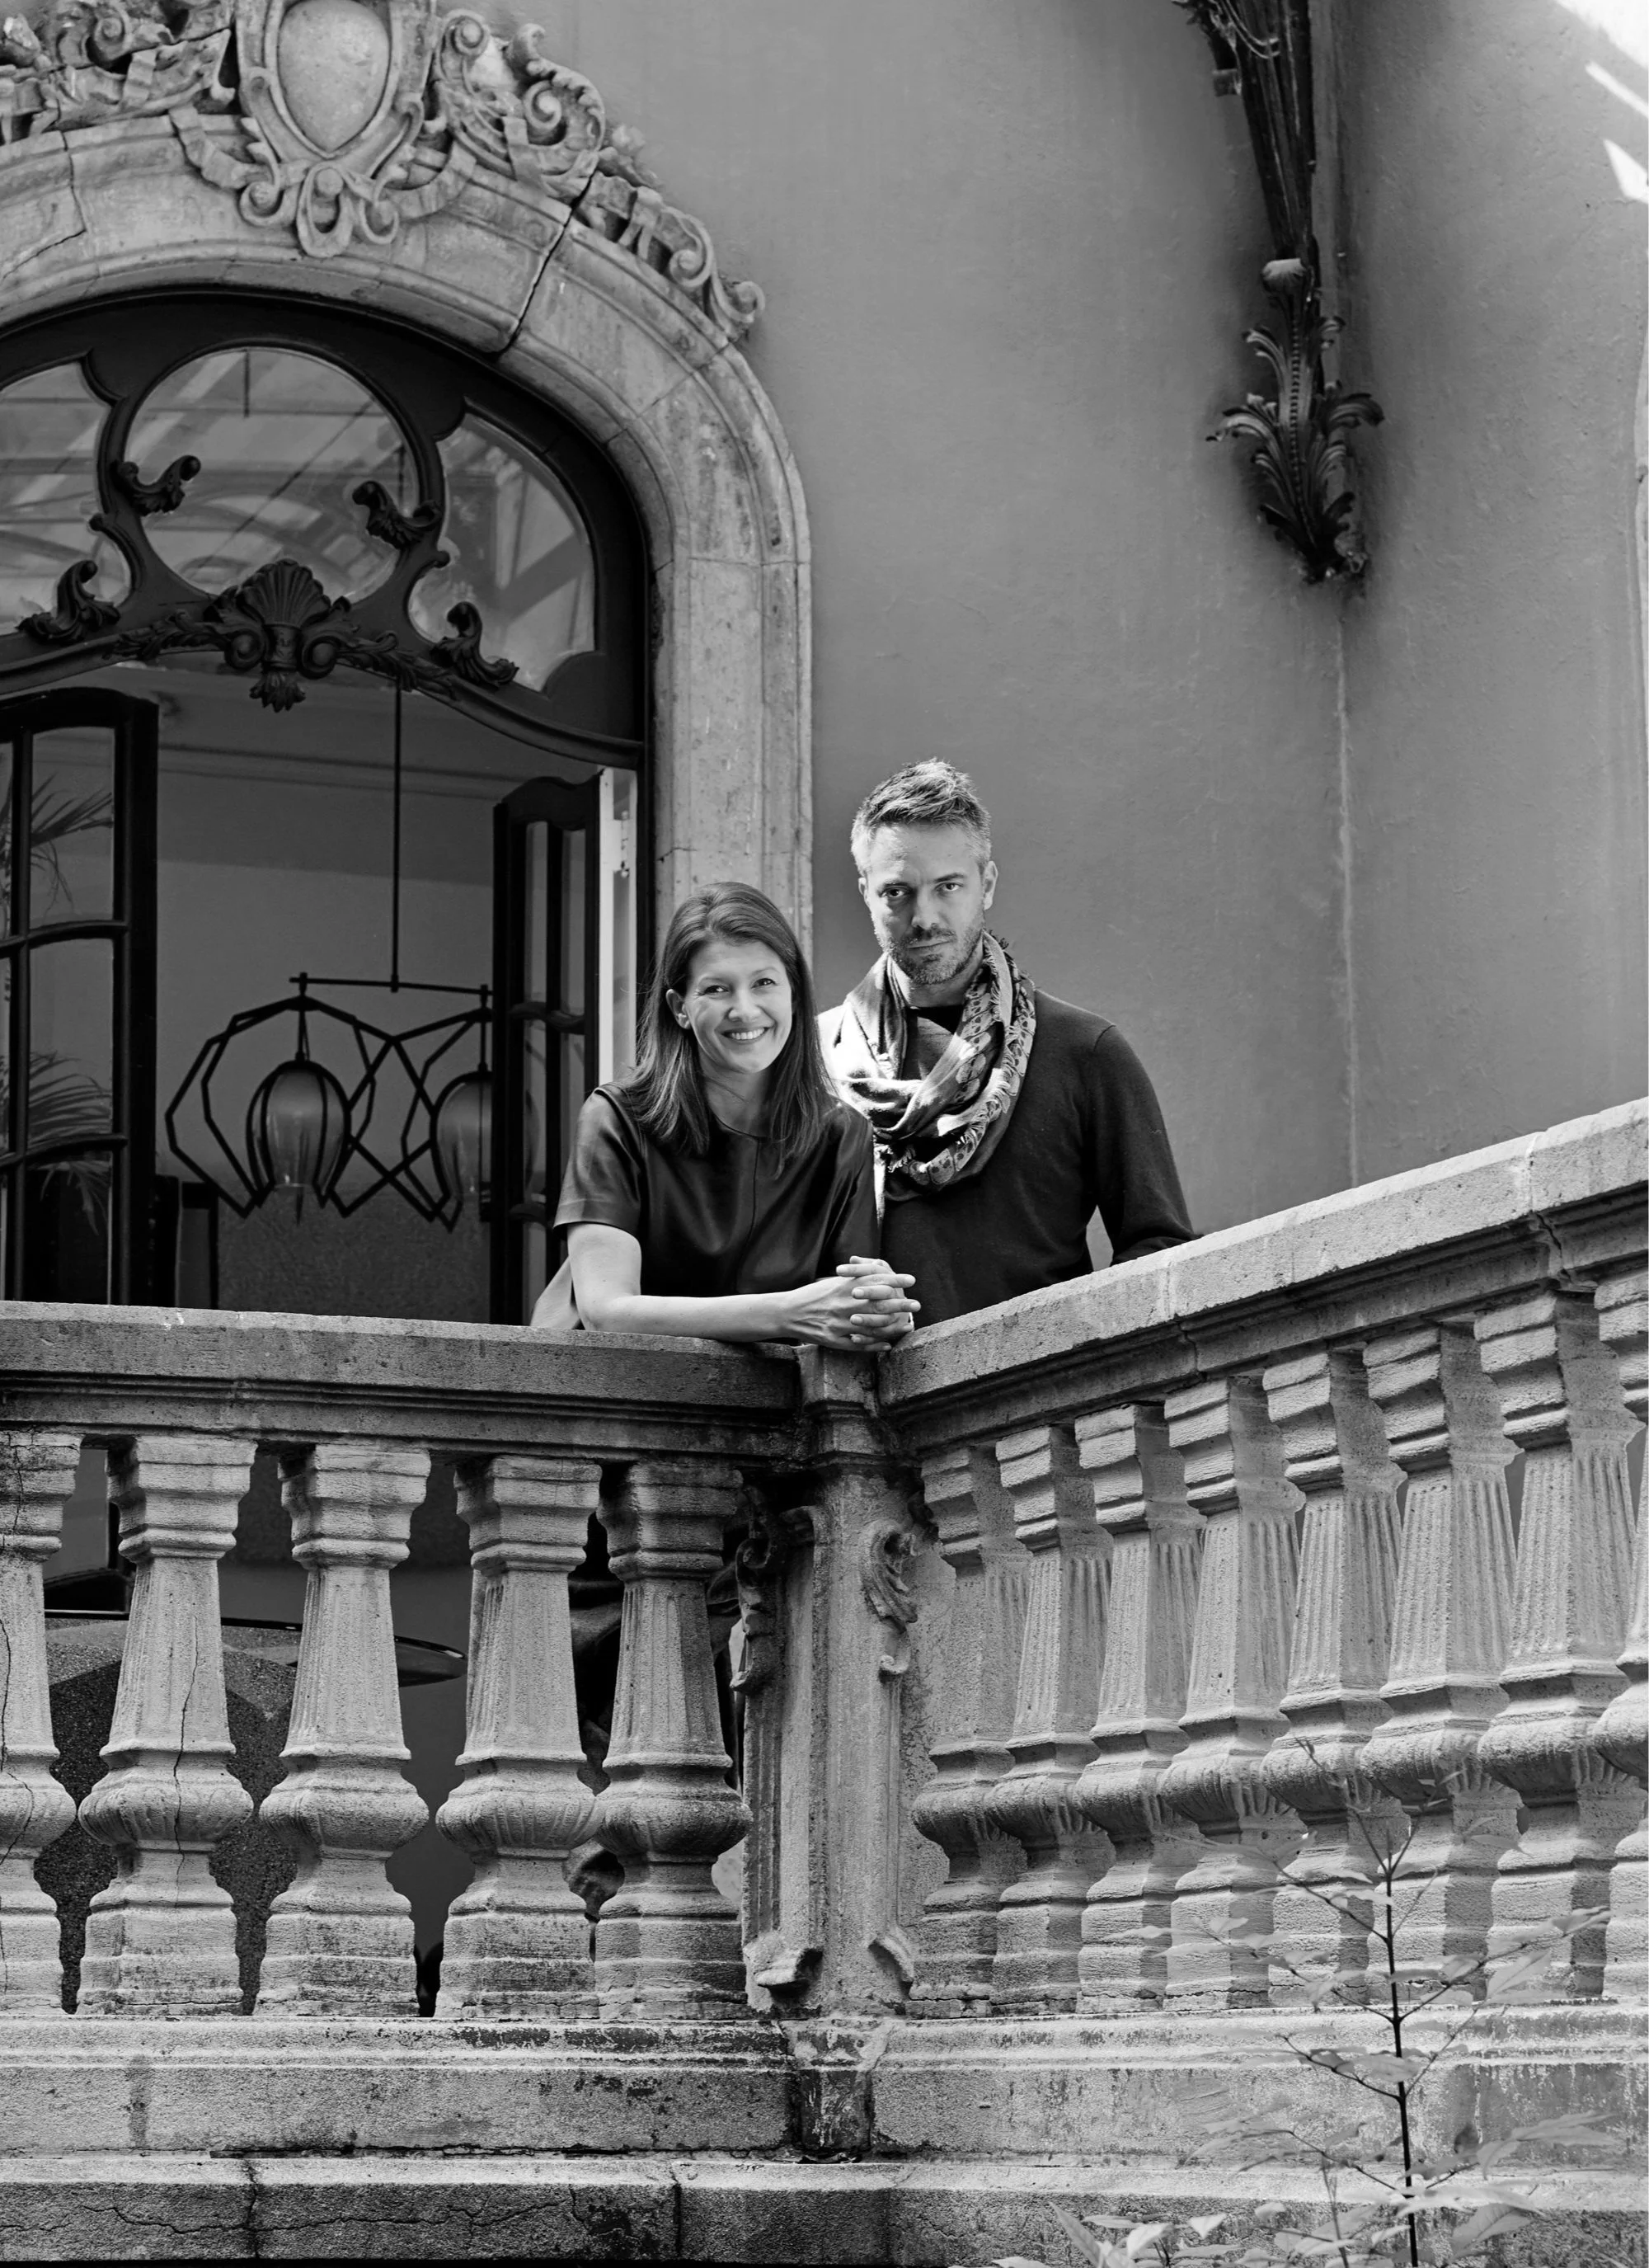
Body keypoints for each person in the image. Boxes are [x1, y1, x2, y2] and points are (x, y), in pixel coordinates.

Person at [820, 760, 1193, 1328]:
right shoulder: (817, 1059)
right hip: (853, 1406)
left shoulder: (1085, 1052)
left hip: (1031, 1406)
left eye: (949, 886)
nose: (924, 917)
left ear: (987, 884)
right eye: (897, 892)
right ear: (866, 893)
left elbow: (1158, 1251)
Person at [538, 880, 918, 1347]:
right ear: (680, 1008)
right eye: (717, 989)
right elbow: (606, 1313)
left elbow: (839, 1308)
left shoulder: (842, 1135)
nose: (744, 1009)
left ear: (794, 993)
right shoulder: (617, 1117)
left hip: (758, 1407)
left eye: (764, 982)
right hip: (604, 1393)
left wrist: (872, 1308)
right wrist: (788, 1313)